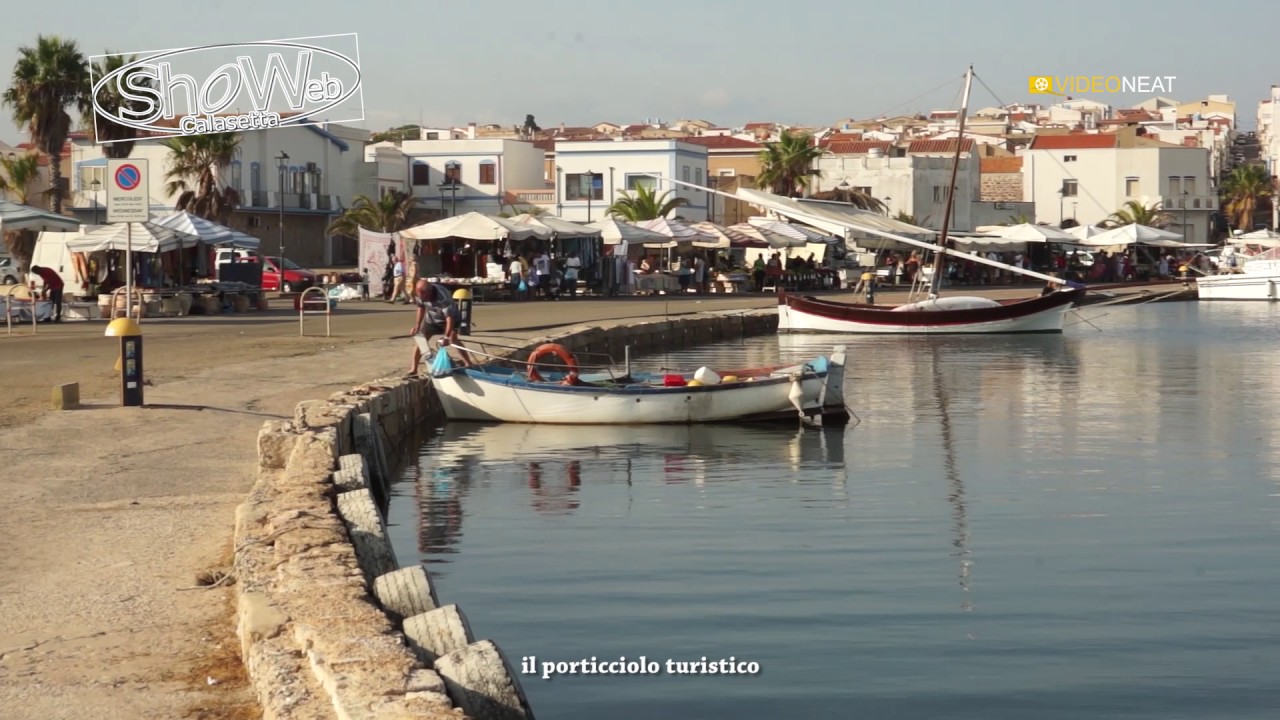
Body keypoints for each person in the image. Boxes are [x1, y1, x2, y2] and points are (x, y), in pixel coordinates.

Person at [409, 280, 456, 375]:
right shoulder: (420, 294)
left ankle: (468, 362)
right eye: (419, 296)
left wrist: (446, 337)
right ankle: (413, 370)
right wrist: (417, 325)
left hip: (449, 319)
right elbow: (421, 308)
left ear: (429, 292)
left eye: (424, 296)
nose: (421, 298)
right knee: (420, 340)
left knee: (453, 340)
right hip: (432, 319)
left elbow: (449, 318)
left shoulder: (443, 297)